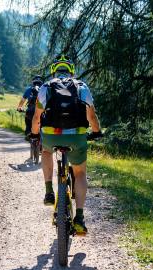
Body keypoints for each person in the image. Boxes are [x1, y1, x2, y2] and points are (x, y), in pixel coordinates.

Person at [30, 55, 103, 235]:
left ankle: (49, 191)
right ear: (71, 71)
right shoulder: (81, 86)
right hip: (76, 137)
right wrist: (96, 131)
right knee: (80, 173)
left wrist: (33, 133)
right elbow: (91, 116)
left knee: (46, 152)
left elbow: (37, 116)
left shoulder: (46, 86)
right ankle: (79, 217)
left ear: (54, 70)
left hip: (51, 135)